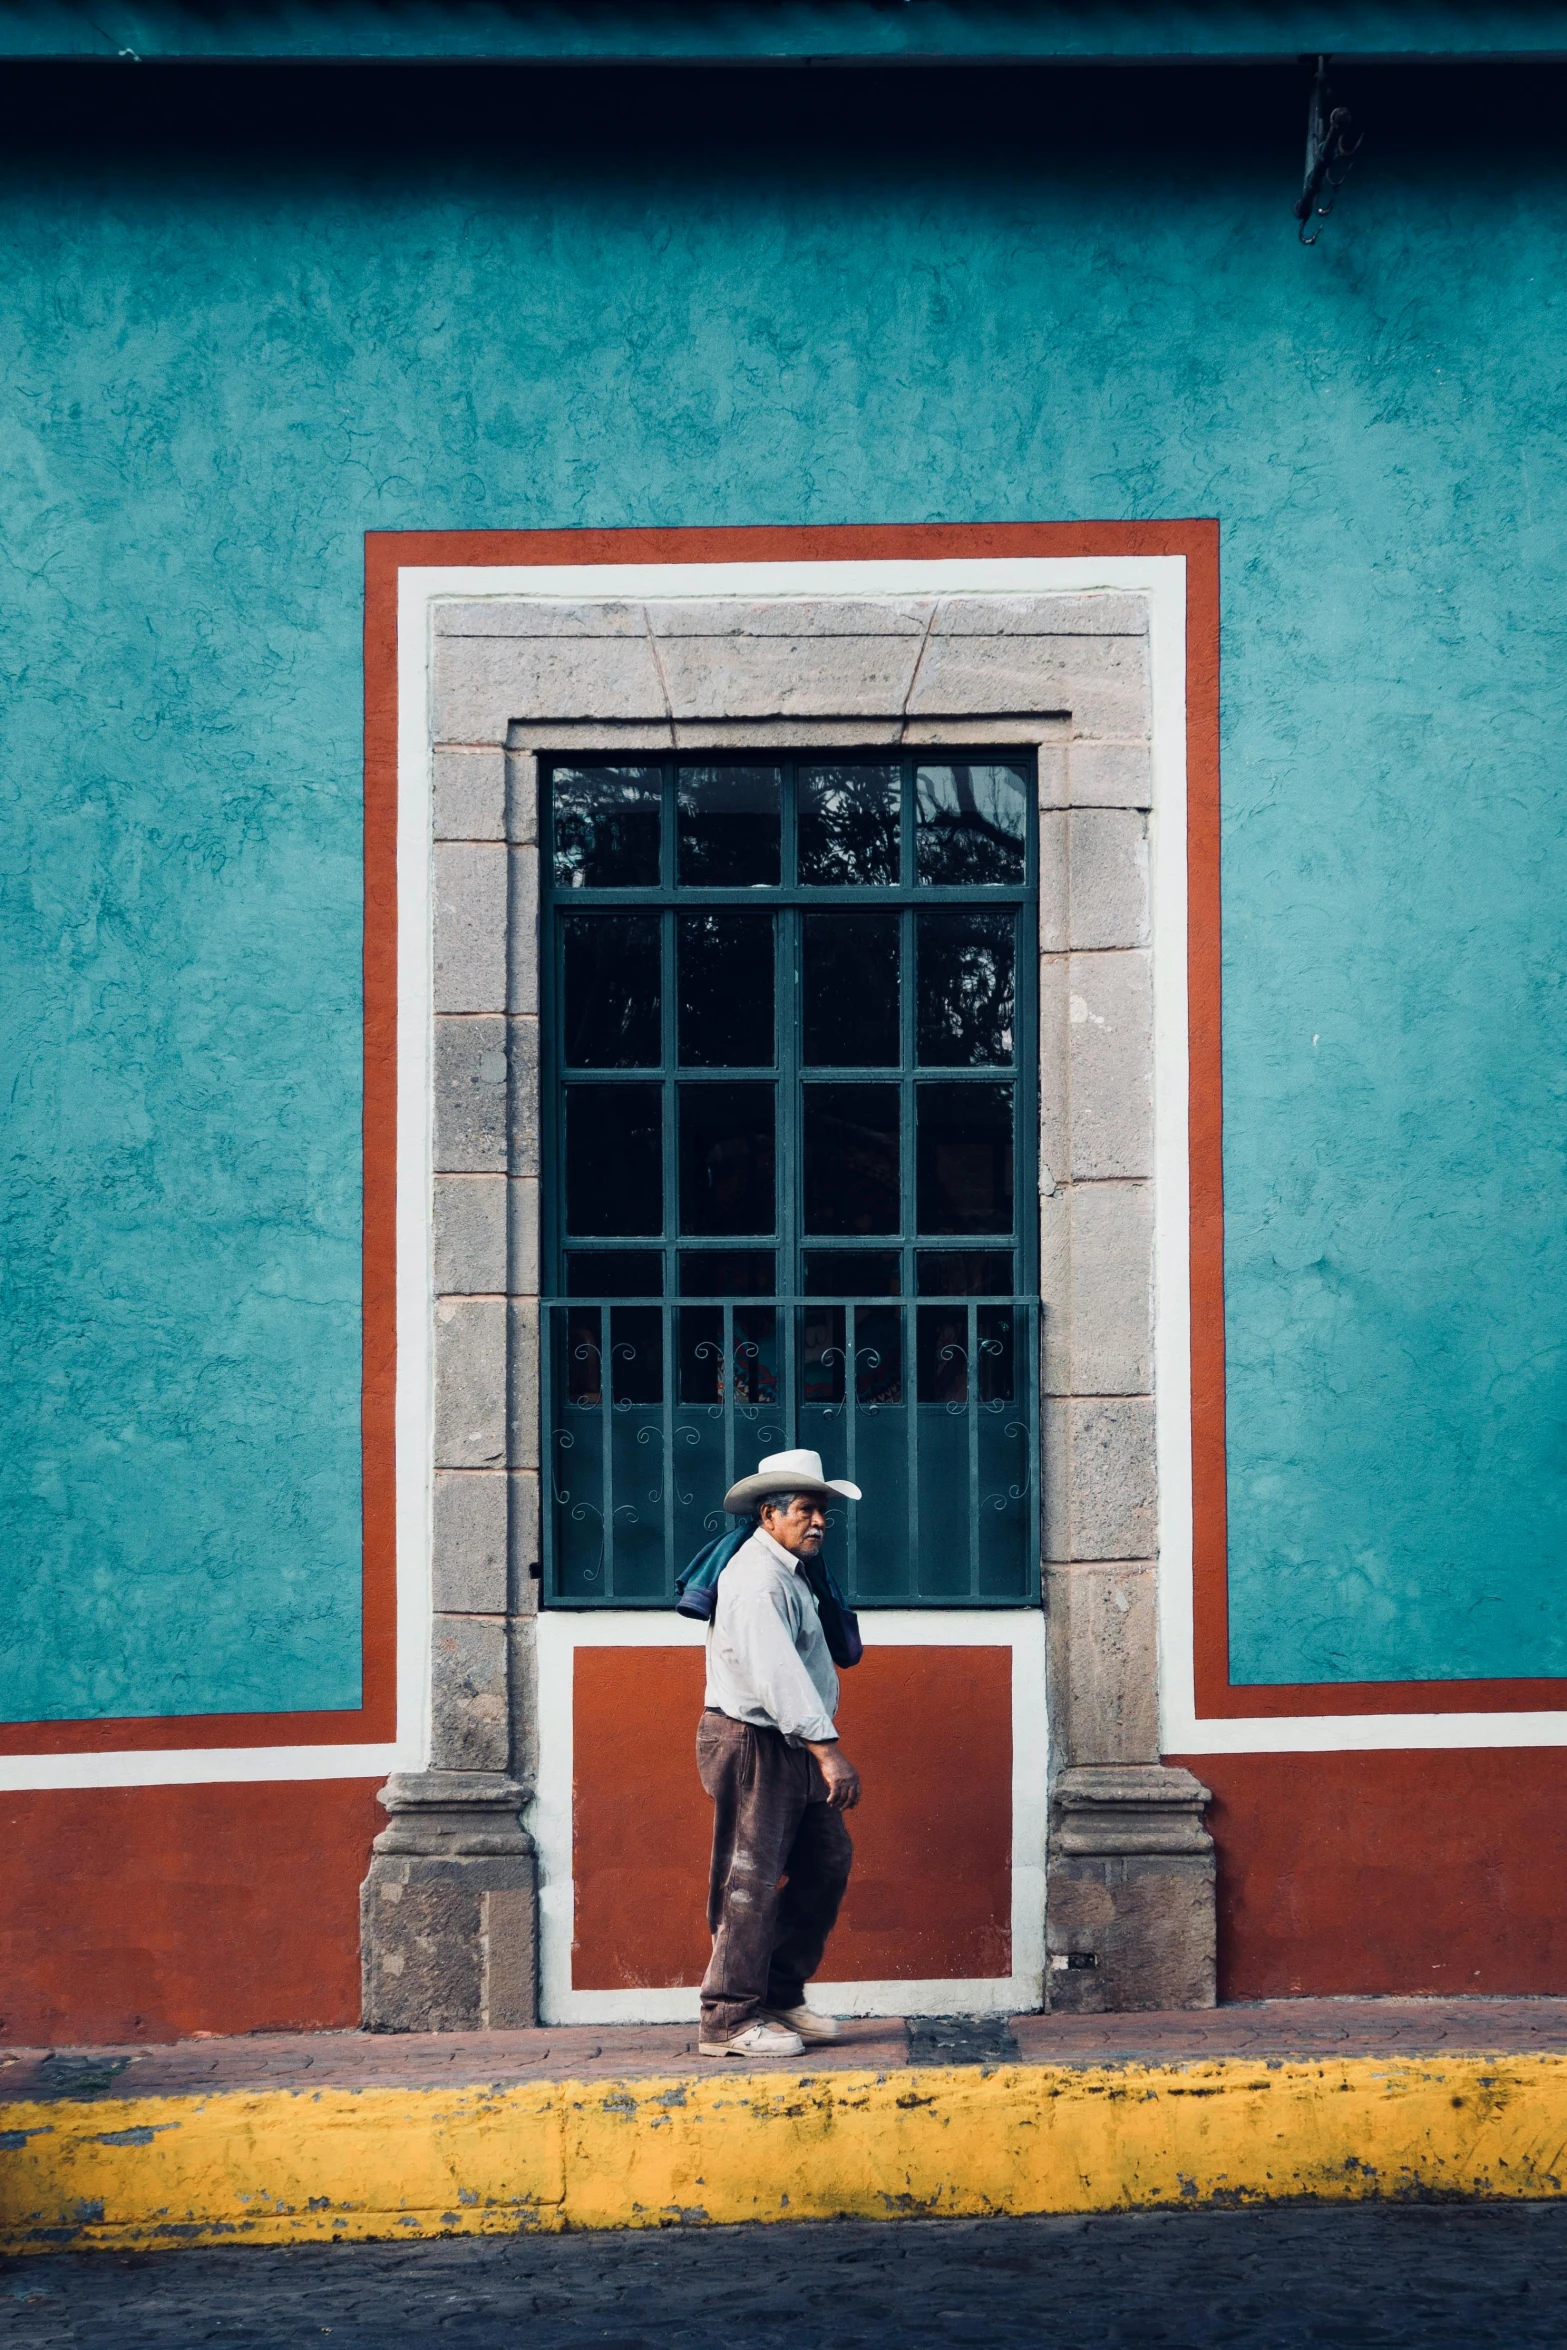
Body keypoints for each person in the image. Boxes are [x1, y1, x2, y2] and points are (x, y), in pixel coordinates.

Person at [695, 1448, 864, 2058]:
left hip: (788, 1741)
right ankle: (728, 2018)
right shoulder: (756, 1581)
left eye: (822, 1511)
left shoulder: (790, 1572)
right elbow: (777, 1677)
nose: (818, 1521)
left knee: (825, 1864)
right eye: (806, 1510)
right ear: (769, 1515)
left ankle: (777, 1995)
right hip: (755, 1742)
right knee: (750, 1882)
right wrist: (829, 1753)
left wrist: (815, 1747)